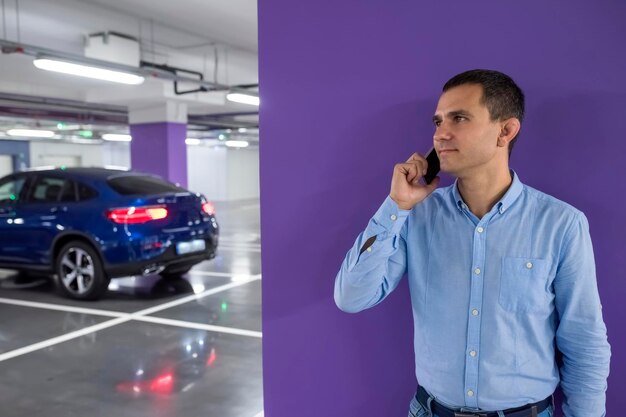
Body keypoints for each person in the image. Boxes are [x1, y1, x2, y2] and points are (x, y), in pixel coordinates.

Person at [334, 69, 610, 417]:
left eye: (459, 118)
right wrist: (396, 206)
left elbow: (584, 342)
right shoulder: (415, 216)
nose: (440, 135)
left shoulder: (561, 224)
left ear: (505, 131)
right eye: (437, 122)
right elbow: (351, 297)